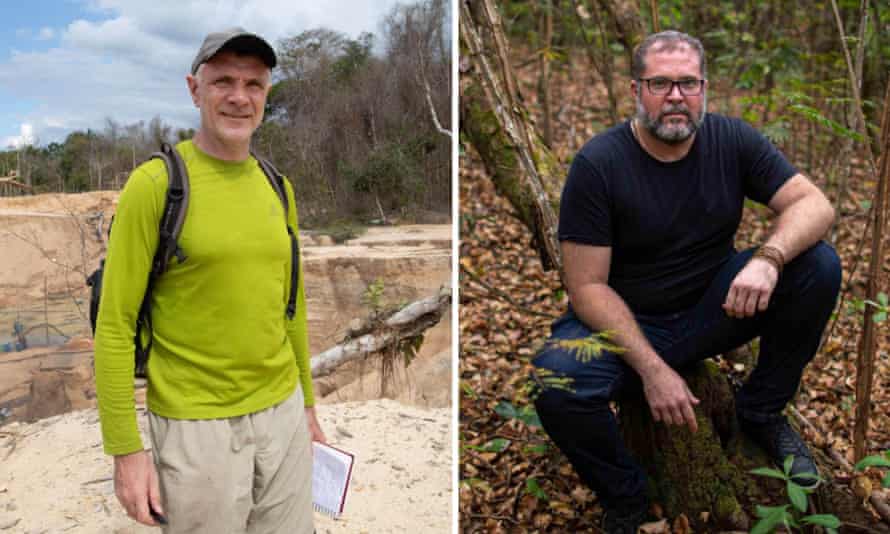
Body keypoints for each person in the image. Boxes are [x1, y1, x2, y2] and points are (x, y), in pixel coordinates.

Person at [531, 30, 840, 534]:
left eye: (688, 84)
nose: (676, 96)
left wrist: (768, 257)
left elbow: (815, 205)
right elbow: (586, 288)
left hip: (711, 309)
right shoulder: (599, 164)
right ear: (636, 91)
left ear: (704, 89)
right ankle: (627, 500)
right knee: (555, 382)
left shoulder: (733, 140)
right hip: (625, 324)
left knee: (818, 266)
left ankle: (761, 412)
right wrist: (652, 370)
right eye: (660, 83)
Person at [94, 28, 325, 533]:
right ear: (194, 89)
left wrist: (306, 407)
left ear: (267, 95)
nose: (239, 97)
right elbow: (114, 324)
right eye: (223, 81)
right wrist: (126, 452)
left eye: (254, 84)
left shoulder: (277, 187)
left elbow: (292, 307)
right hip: (195, 427)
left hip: (282, 414)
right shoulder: (155, 186)